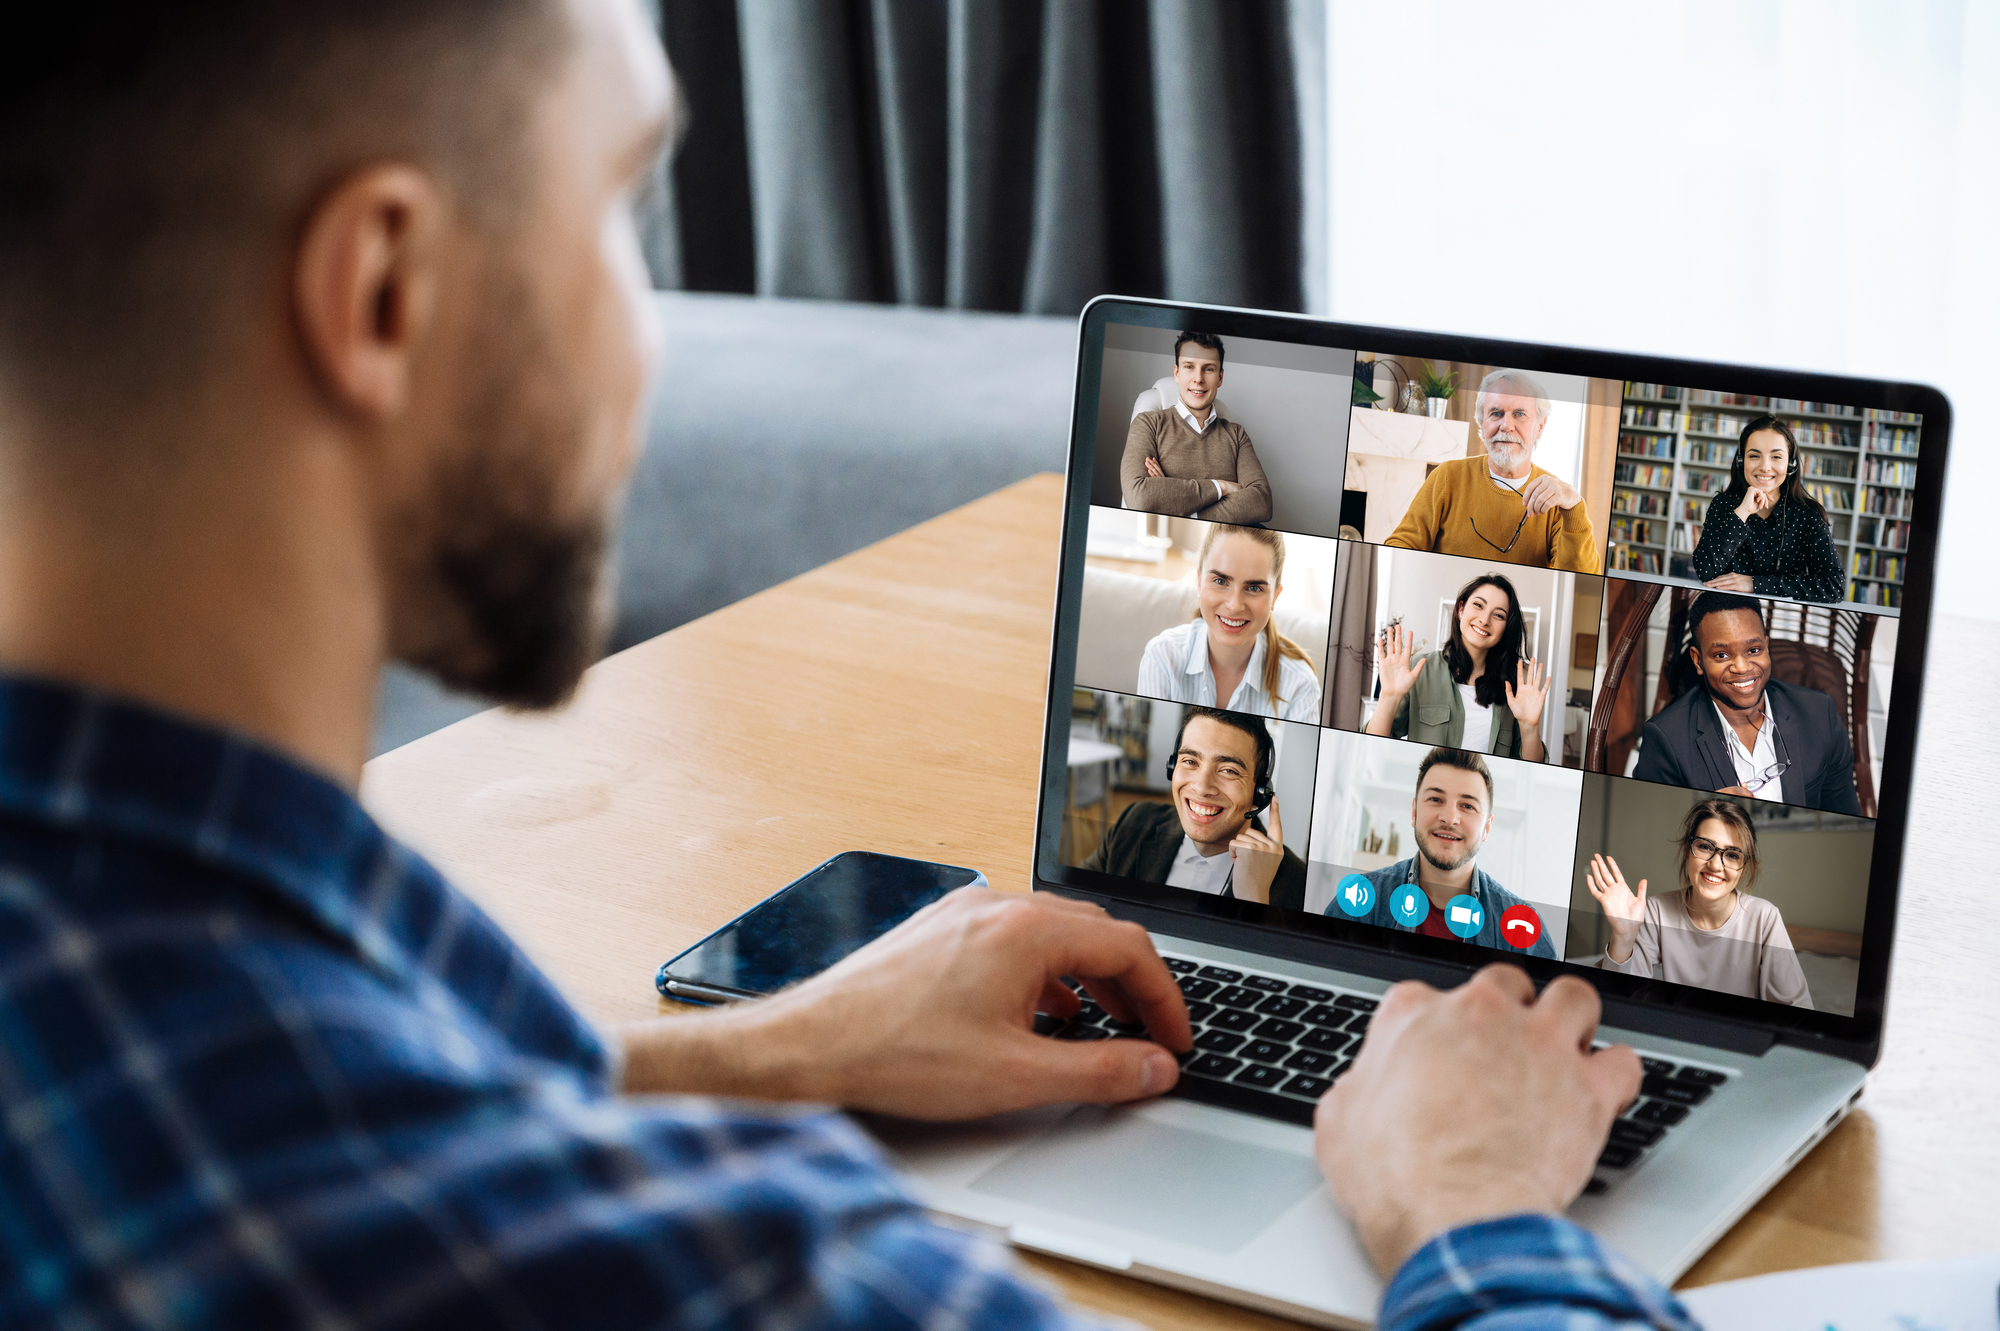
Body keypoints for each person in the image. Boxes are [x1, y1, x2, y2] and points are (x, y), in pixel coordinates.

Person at [0, 3, 1703, 1326]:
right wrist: (1473, 1216)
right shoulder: (712, 1277)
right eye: (618, 207)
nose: (648, 329)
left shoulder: (158, 931)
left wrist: (766, 1047)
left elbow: (383, 1066)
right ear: (381, 291)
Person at [1632, 593, 1863, 815]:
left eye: (1753, 650)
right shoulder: (1665, 738)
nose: (1742, 667)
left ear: (1766, 647)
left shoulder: (1819, 714)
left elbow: (1846, 813)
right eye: (1722, 655)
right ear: (1698, 660)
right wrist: (1703, 809)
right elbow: (1650, 822)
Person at [1326, 749, 1558, 959]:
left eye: (1467, 806)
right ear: (1415, 812)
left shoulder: (1524, 927)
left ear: (1487, 828)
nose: (1449, 818)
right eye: (1436, 799)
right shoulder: (1355, 904)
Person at [1586, 799, 1814, 1007]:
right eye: (1705, 846)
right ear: (1687, 850)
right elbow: (1618, 1000)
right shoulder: (1657, 911)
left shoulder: (1765, 918)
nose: (1716, 865)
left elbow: (1797, 1008)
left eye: (1732, 855)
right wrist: (1623, 938)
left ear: (1744, 868)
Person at [1080, 707, 1306, 909]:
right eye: (1190, 761)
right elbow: (1070, 900)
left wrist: (1254, 902)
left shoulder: (1297, 882)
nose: (1201, 787)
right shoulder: (1135, 821)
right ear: (1172, 767)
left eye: (1228, 770)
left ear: (1260, 792)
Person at [1385, 369, 1604, 574]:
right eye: (1496, 413)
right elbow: (1398, 547)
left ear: (1539, 426)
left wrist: (1575, 506)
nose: (1506, 425)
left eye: (1519, 414)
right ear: (1482, 423)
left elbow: (1580, 578)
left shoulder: (1556, 499)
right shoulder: (1447, 476)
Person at [1136, 523, 1323, 721]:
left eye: (1254, 588)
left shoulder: (1299, 685)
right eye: (1220, 581)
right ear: (1199, 582)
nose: (1234, 606)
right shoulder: (1162, 657)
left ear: (1275, 597)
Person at [1364, 572, 1553, 761]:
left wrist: (1530, 727)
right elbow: (1372, 750)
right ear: (1461, 609)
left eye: (1498, 615)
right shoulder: (1418, 671)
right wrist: (1388, 698)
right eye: (1478, 605)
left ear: (1506, 628)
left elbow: (1531, 767)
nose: (1485, 620)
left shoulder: (1514, 689)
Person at [1118, 331, 1274, 524]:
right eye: (1189, 367)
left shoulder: (1237, 435)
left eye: (1208, 369)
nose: (1198, 378)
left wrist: (1175, 502)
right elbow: (1140, 498)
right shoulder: (1148, 424)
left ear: (1220, 377)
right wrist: (1221, 487)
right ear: (1177, 373)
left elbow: (1262, 503)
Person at [1691, 414, 1844, 603]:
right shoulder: (1723, 505)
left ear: (1791, 464)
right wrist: (1742, 513)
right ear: (1741, 461)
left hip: (1782, 618)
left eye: (1776, 457)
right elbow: (1705, 571)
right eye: (1754, 456)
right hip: (1729, 613)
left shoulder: (1808, 515)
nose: (1765, 467)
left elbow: (1834, 586)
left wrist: (1755, 584)